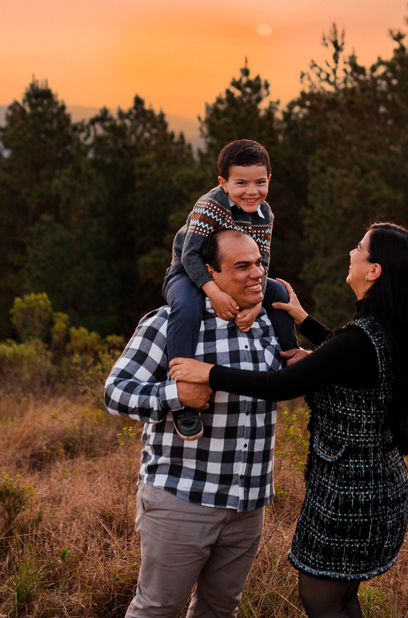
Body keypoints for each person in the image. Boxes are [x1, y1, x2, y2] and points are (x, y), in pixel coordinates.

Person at [169, 222, 408, 618]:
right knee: (341, 598)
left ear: (373, 271)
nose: (352, 253)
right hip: (375, 483)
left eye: (360, 248)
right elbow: (344, 355)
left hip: (352, 493)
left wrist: (208, 373)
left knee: (321, 598)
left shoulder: (361, 339)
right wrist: (304, 320)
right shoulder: (384, 328)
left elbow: (282, 385)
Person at [104, 229, 284, 618]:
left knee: (220, 611)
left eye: (259, 263)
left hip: (248, 503)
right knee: (157, 609)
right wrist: (176, 396)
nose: (257, 273)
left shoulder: (267, 322)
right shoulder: (170, 323)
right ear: (208, 272)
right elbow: (115, 392)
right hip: (182, 498)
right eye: (242, 266)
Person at [162, 138, 297, 440]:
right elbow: (190, 255)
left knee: (279, 292)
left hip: (235, 276)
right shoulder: (211, 205)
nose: (252, 191)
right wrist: (215, 293)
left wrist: (255, 304)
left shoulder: (265, 215)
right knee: (187, 306)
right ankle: (183, 392)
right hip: (187, 273)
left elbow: (261, 263)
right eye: (241, 183)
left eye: (260, 182)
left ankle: (290, 358)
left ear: (269, 180)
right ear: (223, 182)